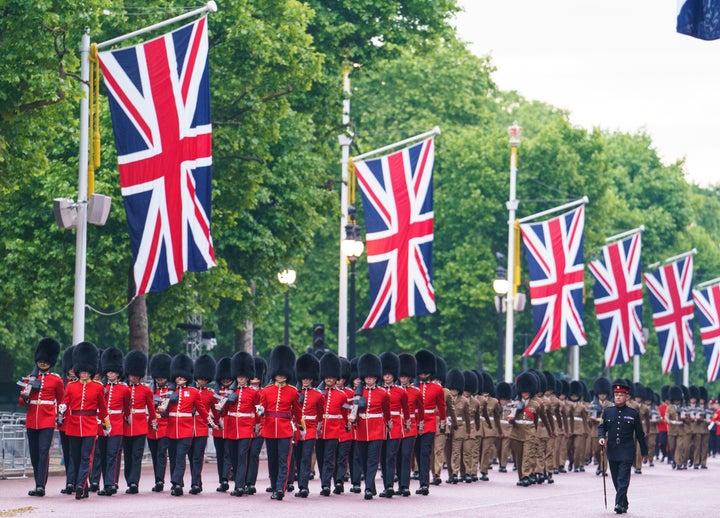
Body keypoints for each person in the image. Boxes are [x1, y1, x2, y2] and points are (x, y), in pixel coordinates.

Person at [60, 341, 110, 499]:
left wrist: (106, 425)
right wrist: (61, 408)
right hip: (73, 424)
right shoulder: (71, 386)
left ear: (90, 370)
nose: (83, 373)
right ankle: (84, 485)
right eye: (81, 371)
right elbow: (65, 402)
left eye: (86, 371)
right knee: (75, 457)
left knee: (85, 456)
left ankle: (80, 485)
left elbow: (102, 408)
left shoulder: (97, 387)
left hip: (89, 425)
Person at [165, 353, 217, 496]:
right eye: (178, 376)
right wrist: (168, 402)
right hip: (172, 430)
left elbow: (203, 410)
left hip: (187, 430)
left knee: (184, 457)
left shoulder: (193, 393)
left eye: (182, 376)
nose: (180, 378)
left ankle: (179, 483)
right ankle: (179, 484)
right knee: (174, 458)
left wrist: (211, 422)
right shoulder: (170, 393)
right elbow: (162, 411)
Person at [18, 337, 64, 497]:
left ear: (51, 361)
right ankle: (38, 482)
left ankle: (40, 485)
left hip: (47, 420)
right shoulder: (29, 378)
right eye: (40, 360)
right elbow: (22, 402)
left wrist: (59, 417)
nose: (43, 363)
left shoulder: (56, 380)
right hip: (32, 420)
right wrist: (25, 396)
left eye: (46, 361)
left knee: (44, 451)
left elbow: (61, 400)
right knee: (35, 453)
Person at [598, 379, 648, 515]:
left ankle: (618, 503)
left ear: (627, 397)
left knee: (623, 478)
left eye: (621, 395)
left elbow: (640, 434)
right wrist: (601, 437)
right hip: (613, 449)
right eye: (616, 395)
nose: (618, 397)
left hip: (627, 450)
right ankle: (624, 502)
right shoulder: (608, 411)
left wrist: (644, 451)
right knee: (615, 478)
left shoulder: (633, 413)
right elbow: (602, 427)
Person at [261, 345, 303, 501]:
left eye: (282, 373)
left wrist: (301, 428)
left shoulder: (293, 391)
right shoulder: (266, 390)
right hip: (270, 428)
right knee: (272, 460)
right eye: (277, 373)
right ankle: (274, 484)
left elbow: (297, 412)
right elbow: (262, 410)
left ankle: (280, 488)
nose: (280, 375)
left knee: (283, 459)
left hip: (285, 428)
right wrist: (261, 421)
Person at [349, 353, 391, 500]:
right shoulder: (358, 392)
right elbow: (353, 410)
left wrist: (389, 424)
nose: (369, 379)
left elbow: (386, 412)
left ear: (376, 377)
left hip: (377, 429)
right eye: (367, 377)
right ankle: (371, 486)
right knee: (364, 459)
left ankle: (367, 488)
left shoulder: (383, 393)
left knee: (373, 460)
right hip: (361, 429)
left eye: (371, 377)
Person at [222, 351, 260, 497]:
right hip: (232, 426)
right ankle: (240, 482)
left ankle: (239, 486)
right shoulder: (231, 391)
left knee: (242, 455)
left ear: (247, 377)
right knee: (234, 457)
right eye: (239, 377)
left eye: (243, 377)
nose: (241, 379)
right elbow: (224, 412)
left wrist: (256, 425)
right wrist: (223, 404)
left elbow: (258, 411)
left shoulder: (253, 393)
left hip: (245, 427)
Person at [122, 349, 157, 494]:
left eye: (136, 375)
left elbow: (151, 408)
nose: (133, 378)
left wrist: (153, 421)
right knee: (128, 455)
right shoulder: (123, 389)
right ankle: (128, 479)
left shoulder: (146, 390)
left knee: (137, 455)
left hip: (141, 426)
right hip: (125, 425)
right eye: (131, 375)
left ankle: (134, 482)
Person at [97, 347, 130, 496]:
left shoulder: (124, 389)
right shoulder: (100, 387)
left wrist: (126, 420)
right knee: (103, 455)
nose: (110, 374)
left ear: (118, 373)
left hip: (116, 425)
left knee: (112, 455)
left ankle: (110, 483)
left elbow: (127, 407)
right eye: (108, 371)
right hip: (102, 425)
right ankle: (106, 483)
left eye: (113, 371)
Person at [315, 351, 348, 497]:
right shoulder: (318, 393)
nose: (329, 379)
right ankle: (325, 480)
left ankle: (326, 485)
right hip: (320, 429)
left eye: (331, 377)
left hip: (334, 429)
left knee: (329, 458)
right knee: (321, 458)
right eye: (326, 377)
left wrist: (345, 426)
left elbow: (345, 414)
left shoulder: (342, 395)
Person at [293, 353, 324, 498]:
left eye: (308, 378)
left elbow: (320, 412)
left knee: (306, 457)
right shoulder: (294, 393)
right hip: (297, 429)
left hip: (310, 429)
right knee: (298, 458)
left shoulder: (318, 395)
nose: (306, 380)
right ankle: (300, 483)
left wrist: (318, 426)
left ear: (312, 379)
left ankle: (303, 487)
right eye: (304, 378)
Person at [189, 354, 216, 494]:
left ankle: (194, 483)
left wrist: (216, 422)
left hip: (201, 427)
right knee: (190, 456)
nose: (202, 381)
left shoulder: (210, 394)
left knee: (198, 457)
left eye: (205, 379)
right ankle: (197, 481)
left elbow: (215, 411)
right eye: (200, 378)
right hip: (188, 428)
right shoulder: (190, 391)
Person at [148, 353, 172, 492]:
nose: (160, 380)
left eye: (162, 378)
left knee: (162, 453)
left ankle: (159, 480)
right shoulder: (151, 389)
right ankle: (158, 477)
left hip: (165, 425)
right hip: (152, 426)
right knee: (155, 453)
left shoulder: (170, 390)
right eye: (158, 378)